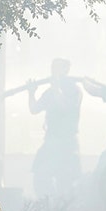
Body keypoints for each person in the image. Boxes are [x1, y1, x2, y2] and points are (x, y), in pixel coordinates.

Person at [27, 58, 83, 198]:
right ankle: (48, 206)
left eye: (57, 68)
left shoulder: (74, 90)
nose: (54, 71)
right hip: (51, 141)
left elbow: (65, 107)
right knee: (40, 175)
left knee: (65, 181)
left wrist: (56, 88)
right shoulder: (49, 92)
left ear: (66, 70)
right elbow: (34, 109)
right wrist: (31, 93)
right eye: (53, 68)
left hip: (67, 143)